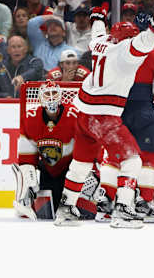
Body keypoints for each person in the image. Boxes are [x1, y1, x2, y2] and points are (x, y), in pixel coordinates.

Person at [53, 4, 154, 228]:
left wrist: (98, 16)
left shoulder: (101, 44)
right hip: (104, 117)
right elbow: (143, 42)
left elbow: (97, 31)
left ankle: (66, 209)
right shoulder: (126, 53)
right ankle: (123, 209)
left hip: (84, 114)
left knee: (81, 163)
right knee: (132, 160)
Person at [97, 44, 154, 223]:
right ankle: (143, 203)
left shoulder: (109, 51)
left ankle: (105, 203)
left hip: (115, 109)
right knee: (149, 157)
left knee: (114, 156)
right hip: (142, 109)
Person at [15, 80, 100, 220]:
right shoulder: (30, 118)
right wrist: (30, 182)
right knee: (48, 214)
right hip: (48, 171)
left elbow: (90, 147)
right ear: (40, 97)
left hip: (71, 171)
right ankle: (25, 199)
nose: (51, 97)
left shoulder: (75, 116)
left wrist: (93, 171)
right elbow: (26, 158)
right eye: (47, 94)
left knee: (85, 212)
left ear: (60, 96)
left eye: (54, 93)